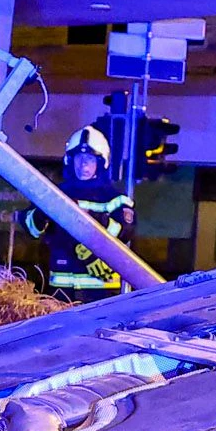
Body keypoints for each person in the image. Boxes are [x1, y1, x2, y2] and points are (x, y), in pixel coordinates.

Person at [22, 125, 134, 302]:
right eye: (79, 158)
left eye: (89, 159)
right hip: (60, 292)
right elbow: (31, 229)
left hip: (101, 293)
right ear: (69, 160)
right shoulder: (54, 193)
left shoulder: (115, 199)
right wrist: (44, 211)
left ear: (101, 162)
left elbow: (124, 233)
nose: (83, 165)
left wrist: (90, 221)